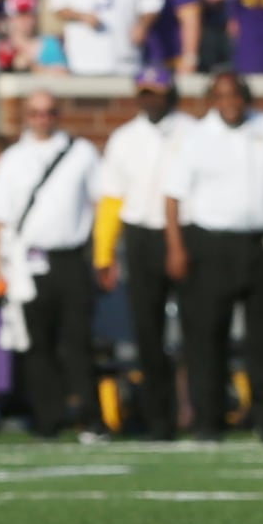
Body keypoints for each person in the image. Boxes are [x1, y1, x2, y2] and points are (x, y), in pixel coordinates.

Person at [164, 69, 263, 440]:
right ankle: (208, 421)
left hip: (262, 243)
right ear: (212, 100)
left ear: (246, 97)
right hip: (210, 244)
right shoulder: (194, 138)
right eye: (221, 96)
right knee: (207, 336)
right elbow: (173, 196)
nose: (229, 103)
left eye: (235, 95)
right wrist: (176, 247)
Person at [0, 88, 105, 438]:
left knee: (78, 341)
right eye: (35, 113)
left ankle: (91, 418)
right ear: (26, 116)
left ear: (58, 114)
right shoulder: (13, 159)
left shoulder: (81, 153)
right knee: (37, 344)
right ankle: (48, 418)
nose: (42, 119)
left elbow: (101, 203)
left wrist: (104, 257)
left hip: (71, 257)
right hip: (27, 261)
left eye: (48, 112)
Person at [100, 72, 187, 435]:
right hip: (140, 235)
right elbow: (111, 199)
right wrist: (104, 253)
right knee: (147, 332)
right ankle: (158, 419)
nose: (151, 100)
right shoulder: (124, 139)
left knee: (194, 329)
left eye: (157, 93)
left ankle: (198, 410)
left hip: (185, 234)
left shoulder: (191, 130)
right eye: (145, 94)